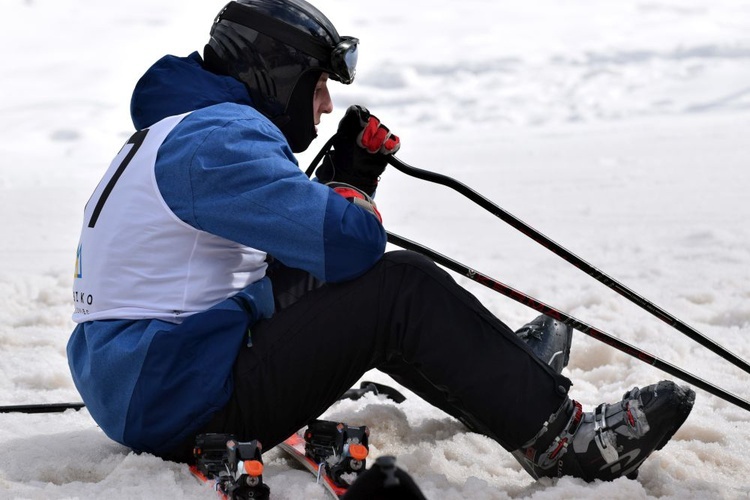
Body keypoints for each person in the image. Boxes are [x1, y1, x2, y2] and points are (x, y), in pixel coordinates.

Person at [67, 0, 695, 484]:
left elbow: (308, 258)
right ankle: (566, 442)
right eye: (316, 84)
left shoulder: (180, 132)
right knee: (400, 288)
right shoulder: (218, 140)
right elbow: (355, 246)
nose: (323, 104)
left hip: (150, 379)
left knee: (352, 289)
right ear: (276, 74)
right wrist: (352, 188)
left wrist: (343, 185)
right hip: (175, 397)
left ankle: (495, 371)